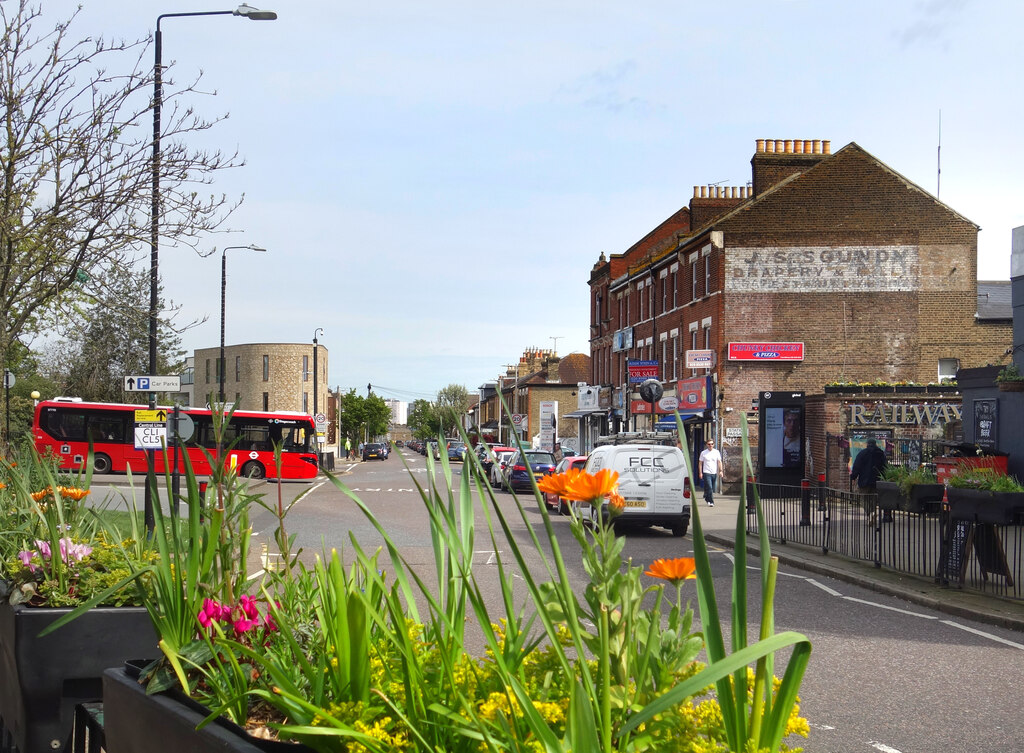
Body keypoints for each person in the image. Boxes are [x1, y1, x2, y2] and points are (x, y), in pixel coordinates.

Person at [850, 438, 887, 507]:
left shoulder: (862, 453)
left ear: (867, 444)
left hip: (864, 480)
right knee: (873, 499)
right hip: (877, 480)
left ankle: (869, 513)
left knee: (863, 498)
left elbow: (857, 466)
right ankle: (872, 512)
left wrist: (853, 476)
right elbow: (885, 467)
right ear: (875, 444)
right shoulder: (881, 454)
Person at [698, 438, 723, 507]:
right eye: (709, 444)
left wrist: (721, 471)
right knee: (709, 487)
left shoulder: (716, 452)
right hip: (706, 472)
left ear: (713, 444)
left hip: (714, 473)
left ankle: (706, 497)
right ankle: (711, 501)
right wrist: (700, 472)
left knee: (710, 487)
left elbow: (719, 462)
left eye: (712, 444)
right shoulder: (703, 453)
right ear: (706, 445)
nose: (710, 445)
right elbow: (700, 463)